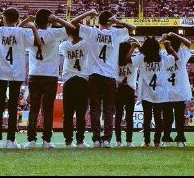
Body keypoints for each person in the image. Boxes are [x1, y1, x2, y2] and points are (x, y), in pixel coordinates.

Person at [0, 7, 41, 149]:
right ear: (17, 20)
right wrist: (33, 28)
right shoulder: (22, 32)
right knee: (12, 107)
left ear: (4, 18)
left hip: (1, 72)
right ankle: (11, 140)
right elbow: (36, 43)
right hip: (17, 73)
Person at [71, 9, 136, 148]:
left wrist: (87, 14)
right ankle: (106, 139)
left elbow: (72, 23)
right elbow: (133, 28)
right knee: (108, 109)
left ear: (99, 21)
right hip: (109, 77)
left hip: (94, 75)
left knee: (95, 108)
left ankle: (95, 139)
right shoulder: (116, 33)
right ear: (110, 22)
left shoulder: (92, 32)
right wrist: (117, 21)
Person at [23, 9, 75, 150]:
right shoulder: (55, 33)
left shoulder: (29, 32)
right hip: (50, 76)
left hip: (34, 74)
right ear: (49, 20)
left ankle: (31, 140)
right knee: (48, 109)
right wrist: (57, 19)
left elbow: (16, 31)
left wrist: (28, 22)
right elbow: (71, 27)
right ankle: (46, 140)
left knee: (33, 109)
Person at [133, 36, 178, 148]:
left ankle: (146, 141)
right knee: (158, 119)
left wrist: (139, 47)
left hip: (146, 92)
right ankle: (157, 141)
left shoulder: (142, 57)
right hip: (160, 92)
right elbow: (176, 58)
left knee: (147, 118)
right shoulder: (162, 57)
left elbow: (129, 60)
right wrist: (169, 47)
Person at [59, 23, 91, 149]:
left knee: (68, 113)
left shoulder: (64, 45)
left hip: (69, 80)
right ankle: (80, 141)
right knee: (81, 114)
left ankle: (68, 141)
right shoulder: (87, 44)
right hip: (83, 79)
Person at [162, 32, 193, 147]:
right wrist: (176, 35)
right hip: (180, 91)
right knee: (179, 117)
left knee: (167, 118)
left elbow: (152, 48)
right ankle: (180, 139)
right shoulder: (182, 54)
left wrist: (162, 40)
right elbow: (189, 43)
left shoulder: (163, 55)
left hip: (167, 92)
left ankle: (166, 139)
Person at [115, 40, 140, 147]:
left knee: (118, 117)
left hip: (119, 89)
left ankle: (119, 142)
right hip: (129, 90)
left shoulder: (115, 60)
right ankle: (129, 141)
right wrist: (134, 45)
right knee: (129, 117)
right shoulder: (133, 60)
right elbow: (129, 58)